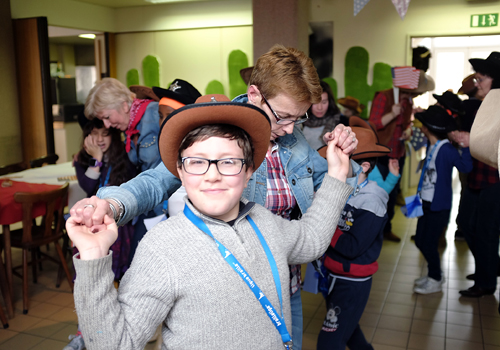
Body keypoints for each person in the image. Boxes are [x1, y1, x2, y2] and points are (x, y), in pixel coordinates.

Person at [70, 44, 360, 350]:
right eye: (284, 117)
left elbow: (316, 216)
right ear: (254, 96)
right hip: (214, 277)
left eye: (297, 120)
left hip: (279, 278)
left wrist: (342, 166)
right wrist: (111, 207)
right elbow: (155, 181)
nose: (289, 130)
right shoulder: (214, 135)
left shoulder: (269, 214)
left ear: (249, 168)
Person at [315, 119, 391, 350]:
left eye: (343, 159)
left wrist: (323, 224)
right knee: (348, 330)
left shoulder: (372, 201)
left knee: (329, 341)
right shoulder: (338, 188)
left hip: (352, 282)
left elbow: (352, 247)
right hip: (332, 274)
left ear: (364, 166)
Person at [65, 118, 137, 350]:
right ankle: (83, 332)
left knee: (118, 277)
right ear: (87, 137)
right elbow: (88, 187)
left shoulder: (124, 158)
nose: (99, 139)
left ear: (113, 136)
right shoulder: (83, 160)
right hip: (91, 230)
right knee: (89, 277)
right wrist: (96, 160)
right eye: (94, 133)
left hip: (119, 229)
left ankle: (118, 329)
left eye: (104, 134)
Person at [369, 69, 435, 242]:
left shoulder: (408, 101)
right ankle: (374, 232)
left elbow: (407, 124)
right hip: (381, 155)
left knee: (393, 195)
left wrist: (408, 130)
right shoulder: (384, 97)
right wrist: (392, 113)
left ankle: (386, 229)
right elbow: (372, 125)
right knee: (378, 195)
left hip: (398, 154)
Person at [412, 106, 472, 294]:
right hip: (426, 202)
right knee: (421, 240)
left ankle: (436, 278)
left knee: (429, 243)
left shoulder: (445, 149)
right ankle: (434, 273)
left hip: (439, 206)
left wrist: (466, 148)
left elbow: (465, 167)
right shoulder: (431, 145)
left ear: (427, 128)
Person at [458, 52, 500, 298]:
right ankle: (489, 266)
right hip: (478, 175)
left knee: (486, 230)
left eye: (482, 78)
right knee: (466, 223)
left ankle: (486, 280)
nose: (478, 84)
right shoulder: (486, 103)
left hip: (494, 179)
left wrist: (470, 139)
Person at [301, 81, 341, 150]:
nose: (320, 108)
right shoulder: (301, 122)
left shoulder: (340, 121)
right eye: (316, 103)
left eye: (324, 102)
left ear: (330, 102)